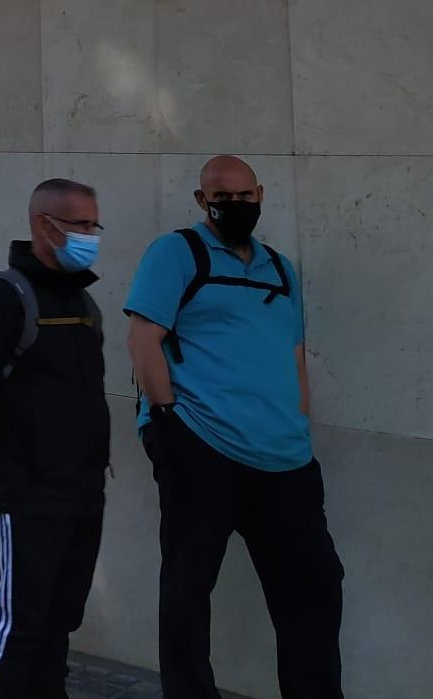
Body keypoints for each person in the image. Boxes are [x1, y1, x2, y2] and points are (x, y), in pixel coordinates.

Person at [125, 155, 343, 699]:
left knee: (315, 587)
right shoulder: (176, 253)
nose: (235, 205)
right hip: (201, 447)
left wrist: (299, 424)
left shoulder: (280, 268)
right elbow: (142, 339)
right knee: (188, 591)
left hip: (284, 459)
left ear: (261, 195)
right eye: (221, 197)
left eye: (246, 196)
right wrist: (168, 422)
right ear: (202, 201)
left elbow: (293, 356)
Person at [0, 179, 109, 699]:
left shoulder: (81, 300)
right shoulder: (3, 300)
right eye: (80, 225)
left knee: (59, 622)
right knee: (16, 626)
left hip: (81, 491)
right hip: (27, 494)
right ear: (43, 224)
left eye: (93, 225)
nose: (90, 236)